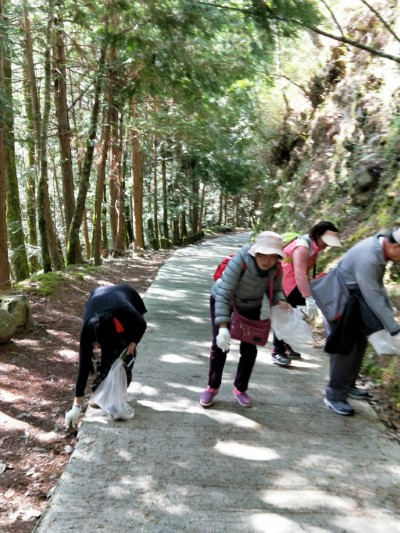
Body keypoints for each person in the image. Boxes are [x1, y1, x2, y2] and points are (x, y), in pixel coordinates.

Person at [199, 231, 291, 408]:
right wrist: (224, 327)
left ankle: (240, 388)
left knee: (249, 348)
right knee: (220, 345)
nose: (267, 260)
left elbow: (276, 290)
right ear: (256, 252)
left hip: (251, 304)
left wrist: (281, 300)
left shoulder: (276, 269)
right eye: (263, 254)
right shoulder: (240, 261)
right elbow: (224, 293)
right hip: (223, 298)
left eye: (273, 256)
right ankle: (212, 386)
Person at [323, 228, 400, 416]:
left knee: (359, 343)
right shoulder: (369, 258)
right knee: (344, 349)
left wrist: (389, 309)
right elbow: (372, 296)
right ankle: (333, 396)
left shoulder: (379, 250)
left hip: (355, 304)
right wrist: (394, 328)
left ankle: (348, 385)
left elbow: (378, 287)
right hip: (340, 303)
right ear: (396, 246)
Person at [65, 284, 147, 428]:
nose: (96, 348)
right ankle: (103, 393)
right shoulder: (87, 330)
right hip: (98, 298)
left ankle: (116, 396)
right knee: (106, 358)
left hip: (127, 301)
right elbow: (83, 368)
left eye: (99, 345)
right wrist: (76, 407)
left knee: (123, 357)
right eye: (95, 345)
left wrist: (133, 342)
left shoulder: (127, 312)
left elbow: (141, 323)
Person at [271, 221, 342, 366]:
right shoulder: (303, 247)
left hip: (295, 284)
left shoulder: (313, 247)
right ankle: (277, 351)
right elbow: (299, 274)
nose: (327, 245)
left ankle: (285, 345)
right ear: (318, 235)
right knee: (284, 317)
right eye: (327, 241)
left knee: (295, 315)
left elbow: (305, 272)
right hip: (286, 283)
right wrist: (308, 297)